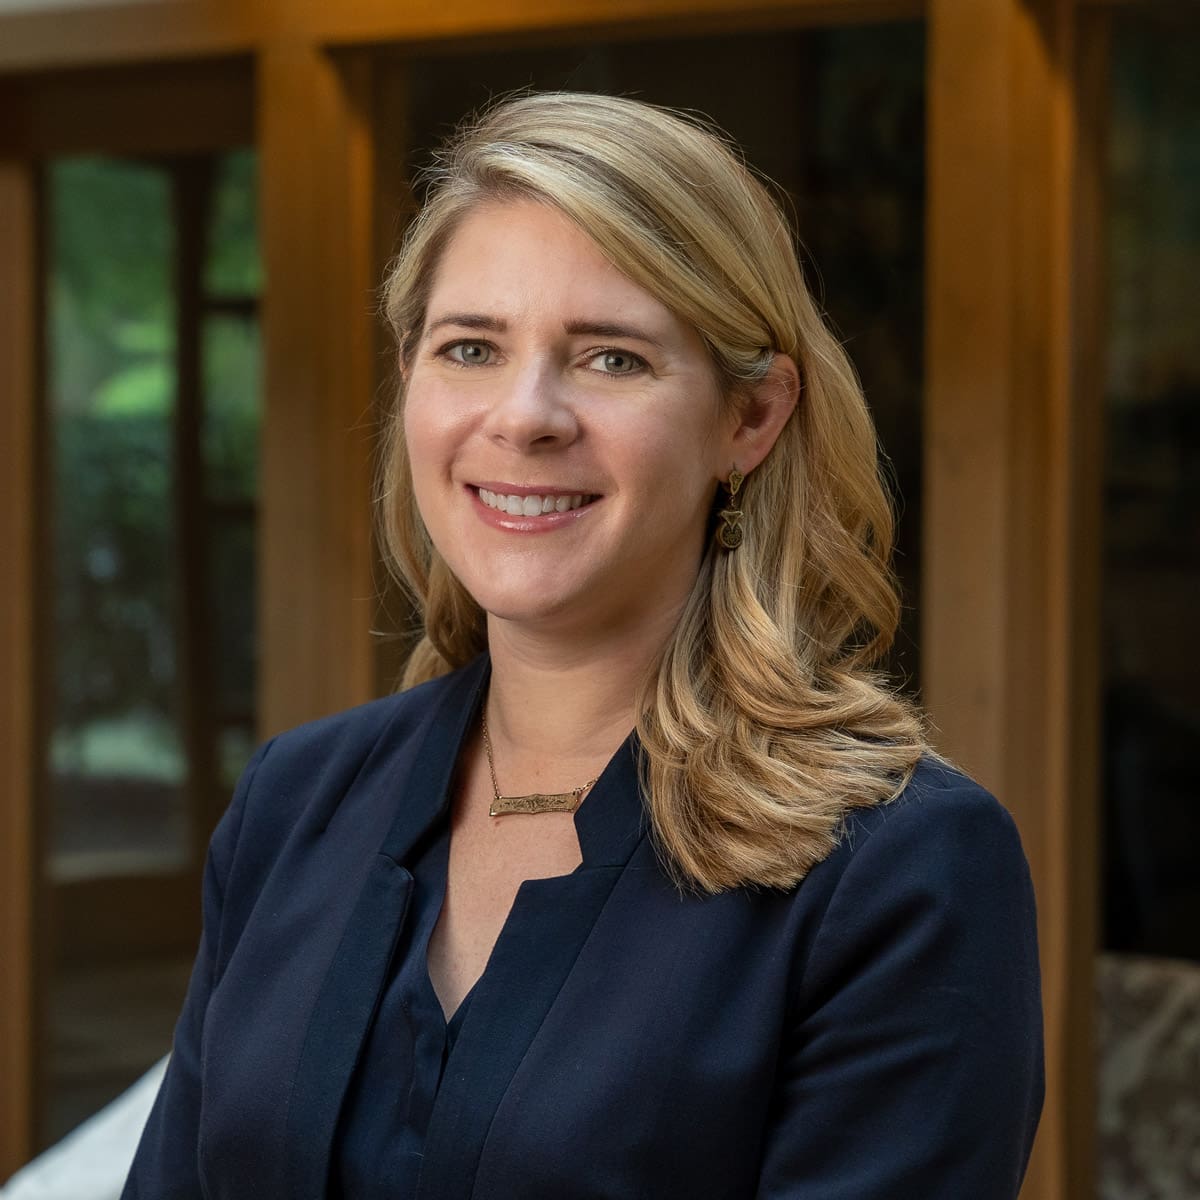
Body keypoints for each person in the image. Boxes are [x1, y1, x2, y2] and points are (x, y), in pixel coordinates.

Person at [122, 92, 1043, 1199]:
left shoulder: (897, 873)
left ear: (750, 420)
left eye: (610, 359)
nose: (525, 416)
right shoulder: (294, 804)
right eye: (470, 347)